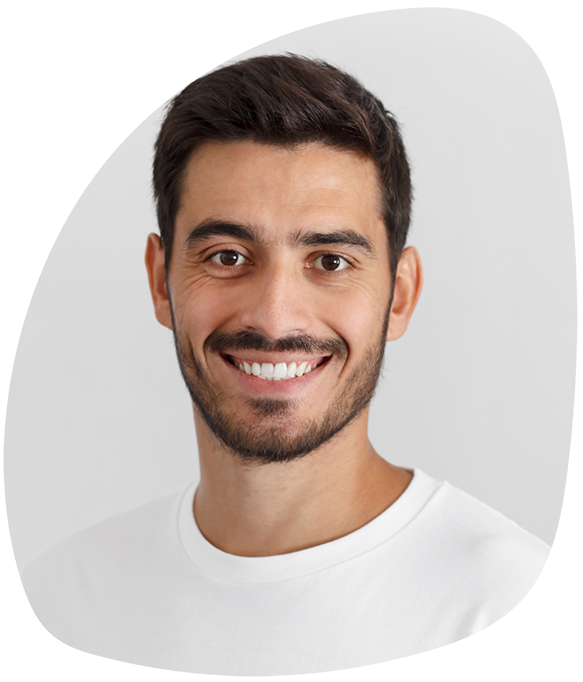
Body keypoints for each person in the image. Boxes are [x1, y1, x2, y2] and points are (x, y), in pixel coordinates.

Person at [21, 54, 550, 675]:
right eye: (226, 256)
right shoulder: (59, 605)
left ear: (399, 295)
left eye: (330, 262)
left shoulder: (519, 610)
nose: (274, 319)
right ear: (161, 282)